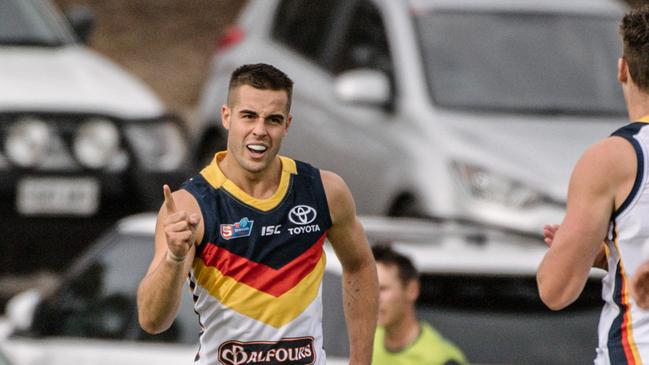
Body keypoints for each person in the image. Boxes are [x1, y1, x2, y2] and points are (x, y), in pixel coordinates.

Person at [136, 63, 378, 365]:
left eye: (273, 120)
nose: (260, 130)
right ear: (227, 116)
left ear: (287, 125)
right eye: (248, 116)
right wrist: (173, 258)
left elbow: (360, 267)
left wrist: (362, 361)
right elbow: (152, 321)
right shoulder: (191, 205)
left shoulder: (324, 191)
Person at [537, 5, 649, 363]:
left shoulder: (613, 158)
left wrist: (572, 254)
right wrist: (613, 253)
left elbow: (556, 290)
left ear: (622, 69)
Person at [371, 245, 467, 365]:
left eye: (382, 289)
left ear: (412, 290)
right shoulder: (369, 341)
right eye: (368, 289)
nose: (372, 298)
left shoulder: (441, 359)